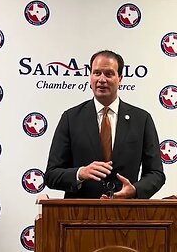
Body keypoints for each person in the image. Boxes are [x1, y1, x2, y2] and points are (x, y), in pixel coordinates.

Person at [44, 50, 165, 199]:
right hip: (79, 216)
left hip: (127, 214)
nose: (102, 79)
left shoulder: (142, 119)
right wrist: (80, 173)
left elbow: (156, 173)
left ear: (120, 78)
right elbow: (51, 175)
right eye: (97, 73)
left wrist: (134, 190)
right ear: (90, 77)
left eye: (108, 74)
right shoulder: (71, 118)